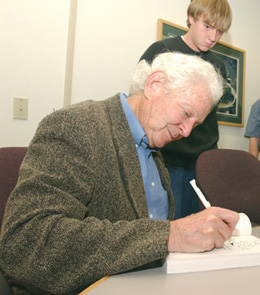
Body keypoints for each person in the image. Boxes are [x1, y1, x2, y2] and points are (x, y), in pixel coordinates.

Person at [0, 52, 239, 295]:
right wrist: (170, 235)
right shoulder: (77, 126)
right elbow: (25, 244)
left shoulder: (155, 147)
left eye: (196, 125)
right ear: (155, 85)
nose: (187, 132)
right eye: (186, 113)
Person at [139, 0, 232, 219]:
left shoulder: (219, 66)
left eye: (219, 31)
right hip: (167, 161)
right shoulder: (160, 51)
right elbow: (141, 106)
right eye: (207, 26)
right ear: (191, 17)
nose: (213, 37)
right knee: (168, 231)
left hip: (206, 162)